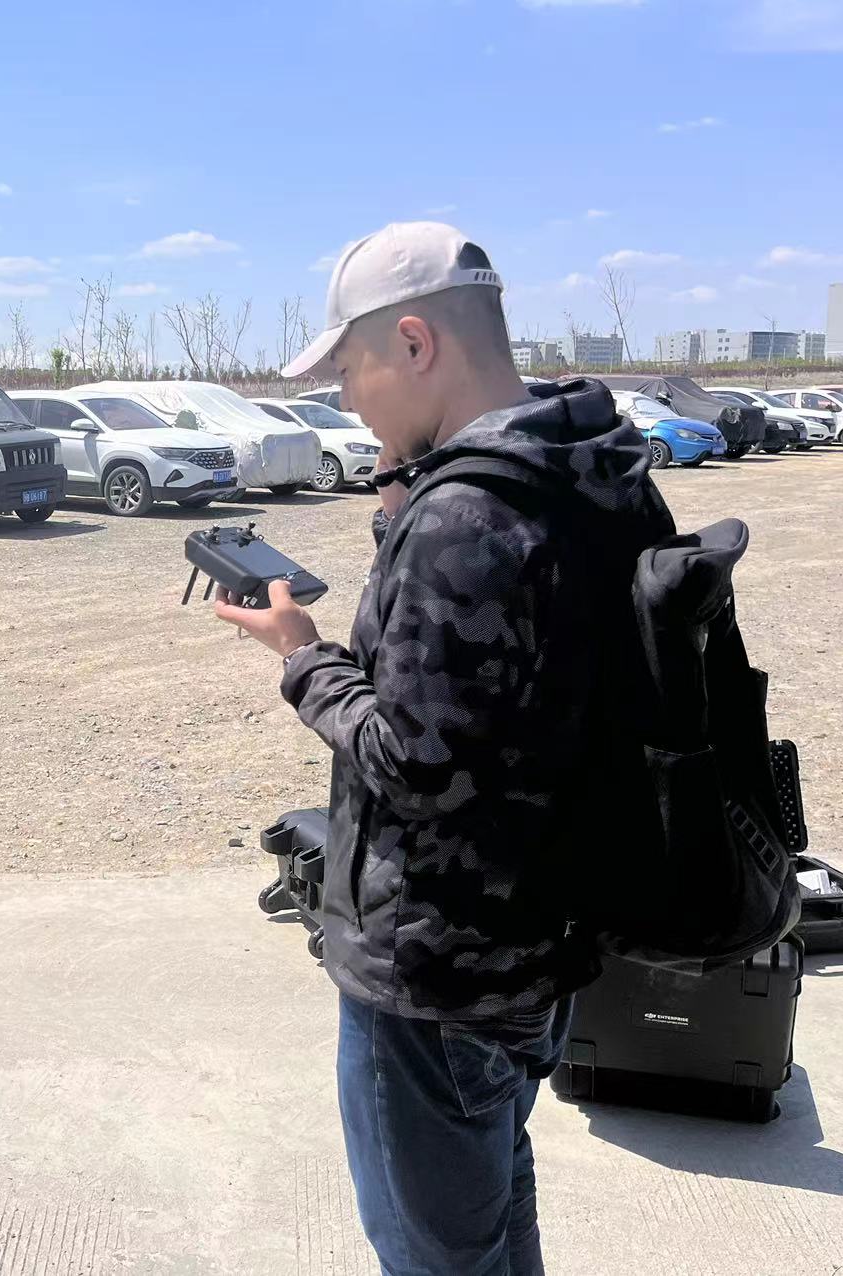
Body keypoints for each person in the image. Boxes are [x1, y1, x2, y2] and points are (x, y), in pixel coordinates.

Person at [214, 222, 671, 1275]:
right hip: (536, 946)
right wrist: (399, 508)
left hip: (437, 979)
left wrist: (301, 656)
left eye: (348, 369)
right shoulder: (586, 467)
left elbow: (414, 759)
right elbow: (498, 677)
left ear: (414, 342)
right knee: (495, 1215)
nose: (346, 399)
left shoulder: (465, 514)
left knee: (434, 1256)